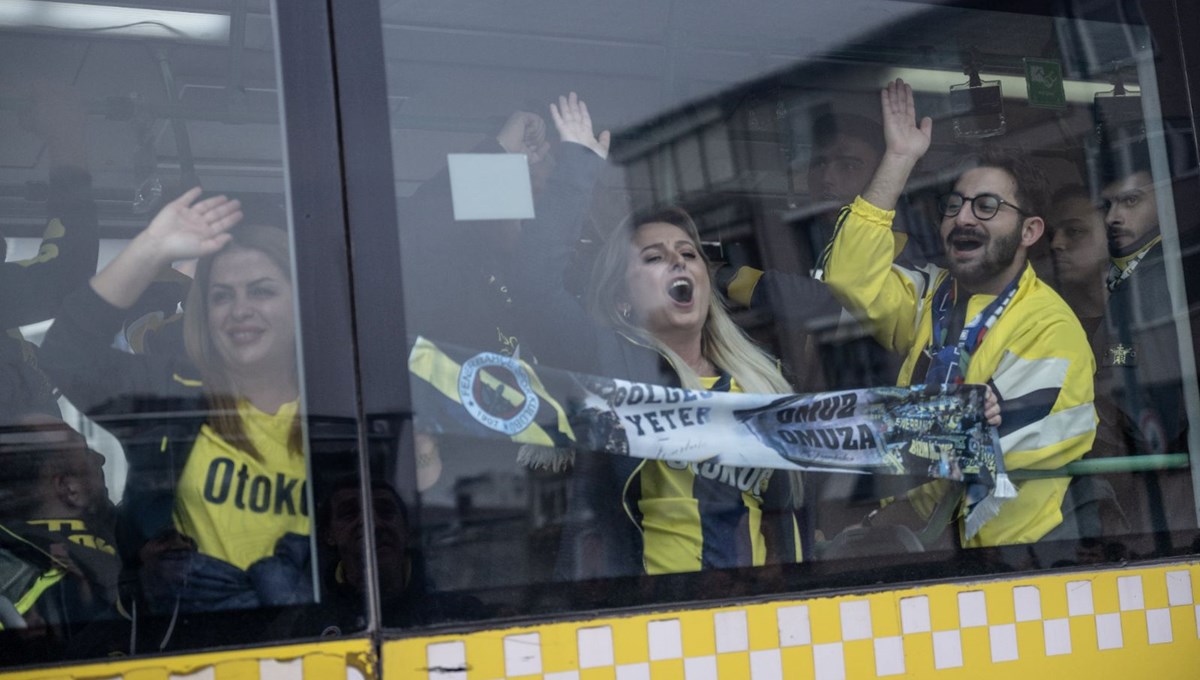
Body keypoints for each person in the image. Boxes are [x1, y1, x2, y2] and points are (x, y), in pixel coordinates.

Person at [515, 93, 801, 577]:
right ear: (622, 298)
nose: (677, 261)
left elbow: (783, 521)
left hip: (756, 624)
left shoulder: (761, 379)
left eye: (688, 254)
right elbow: (535, 283)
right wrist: (577, 167)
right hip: (651, 631)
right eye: (653, 257)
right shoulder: (606, 361)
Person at [817, 79, 1096, 547]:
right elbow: (847, 277)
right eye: (954, 206)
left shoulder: (1050, 329)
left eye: (987, 207)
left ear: (1029, 231)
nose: (963, 218)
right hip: (930, 555)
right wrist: (900, 160)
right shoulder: (934, 292)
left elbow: (967, 465)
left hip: (1011, 571)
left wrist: (872, 530)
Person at [39, 194, 312, 612]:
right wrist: (152, 248)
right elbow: (67, 356)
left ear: (300, 304)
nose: (241, 309)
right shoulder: (173, 393)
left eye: (262, 291)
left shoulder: (346, 400)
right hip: (193, 650)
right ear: (204, 312)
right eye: (222, 296)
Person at [1092, 143, 1194, 535]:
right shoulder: (1127, 274)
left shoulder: (1164, 275)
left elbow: (1160, 389)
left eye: (1131, 201)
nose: (1115, 217)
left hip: (1167, 468)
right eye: (1107, 206)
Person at [1047, 185, 1110, 329]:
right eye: (1051, 234)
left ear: (1110, 235)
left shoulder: (1145, 307)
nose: (1056, 243)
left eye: (1074, 231)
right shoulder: (1046, 321)